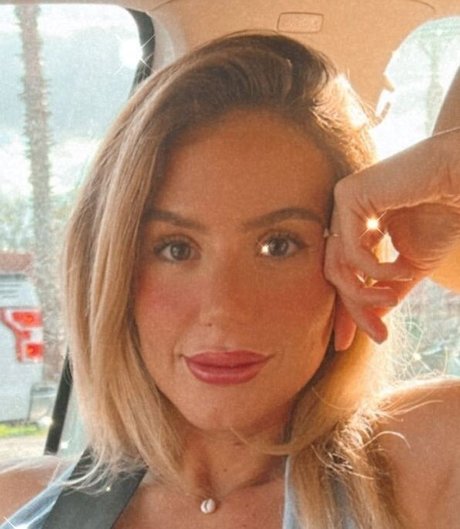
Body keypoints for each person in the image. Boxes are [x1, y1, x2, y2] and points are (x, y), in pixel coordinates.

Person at [0, 32, 459, 529]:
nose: (224, 307)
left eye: (278, 245)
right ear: (113, 272)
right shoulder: (17, 503)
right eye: (176, 249)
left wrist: (448, 174)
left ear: (348, 259)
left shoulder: (420, 466)